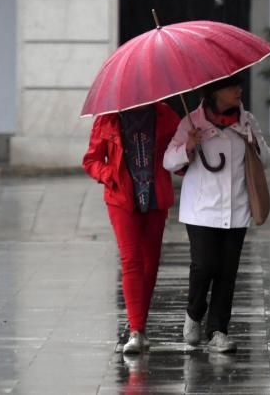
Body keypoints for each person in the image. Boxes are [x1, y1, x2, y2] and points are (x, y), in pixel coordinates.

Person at [163, 74, 270, 353]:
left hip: (236, 208)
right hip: (201, 210)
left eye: (238, 85)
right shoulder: (191, 122)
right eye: (231, 86)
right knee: (204, 265)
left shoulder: (246, 121)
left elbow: (267, 159)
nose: (238, 90)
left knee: (227, 272)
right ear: (214, 93)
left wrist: (253, 144)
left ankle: (218, 331)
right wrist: (188, 145)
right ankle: (194, 312)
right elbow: (168, 160)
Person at [82, 101, 181, 354]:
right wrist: (108, 175)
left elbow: (177, 160)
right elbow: (91, 160)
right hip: (122, 197)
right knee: (131, 260)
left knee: (151, 263)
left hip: (156, 196)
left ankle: (139, 322)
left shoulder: (165, 114)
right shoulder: (108, 119)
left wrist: (190, 145)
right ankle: (136, 331)